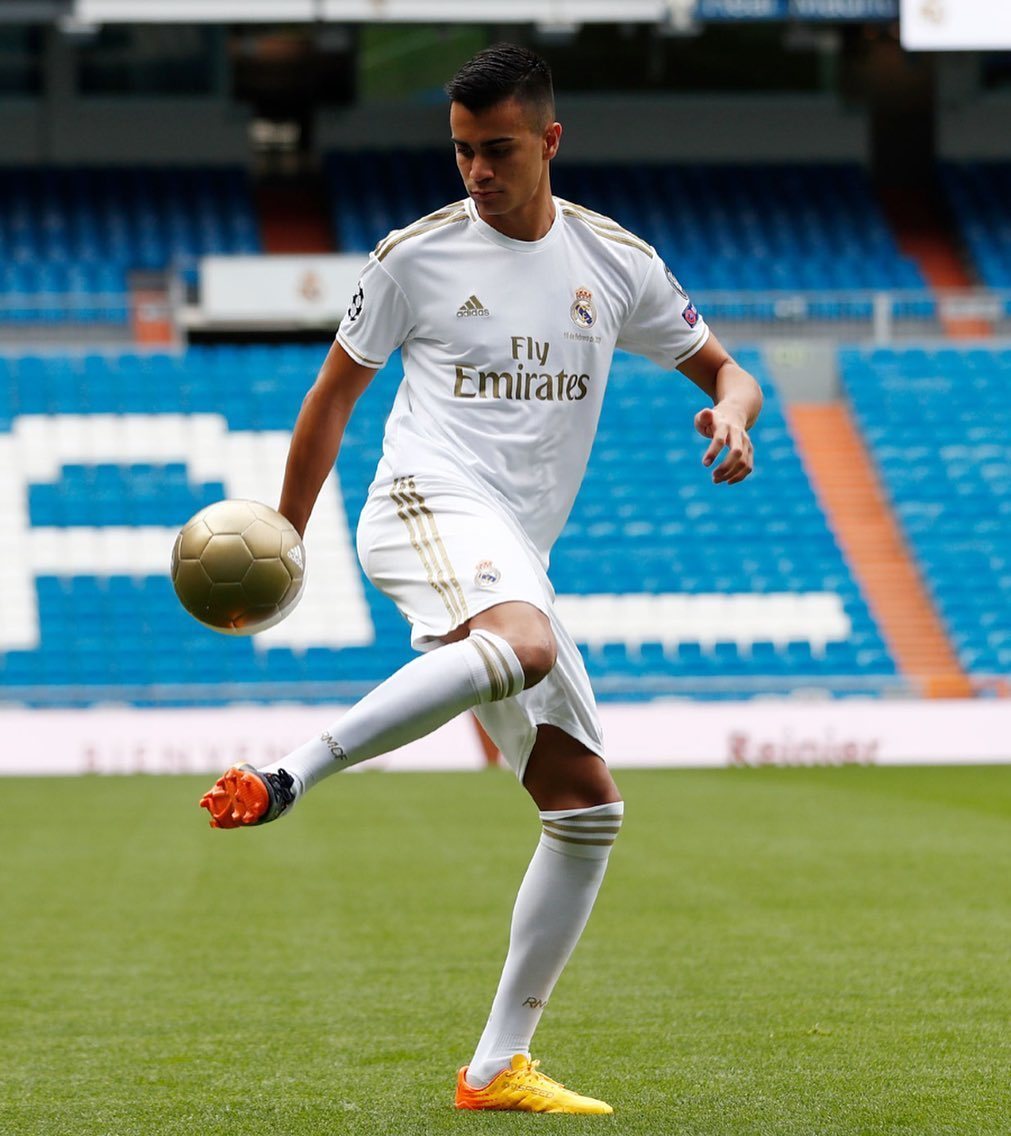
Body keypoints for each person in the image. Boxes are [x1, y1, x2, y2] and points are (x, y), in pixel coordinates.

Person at [200, 42, 762, 1114]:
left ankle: (494, 1065)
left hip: (515, 547)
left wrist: (733, 415)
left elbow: (728, 369)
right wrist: (286, 536)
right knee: (528, 639)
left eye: (497, 150)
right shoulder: (414, 259)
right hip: (422, 501)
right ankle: (288, 773)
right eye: (462, 151)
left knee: (587, 808)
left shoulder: (617, 263)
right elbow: (330, 399)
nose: (477, 172)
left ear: (549, 141)